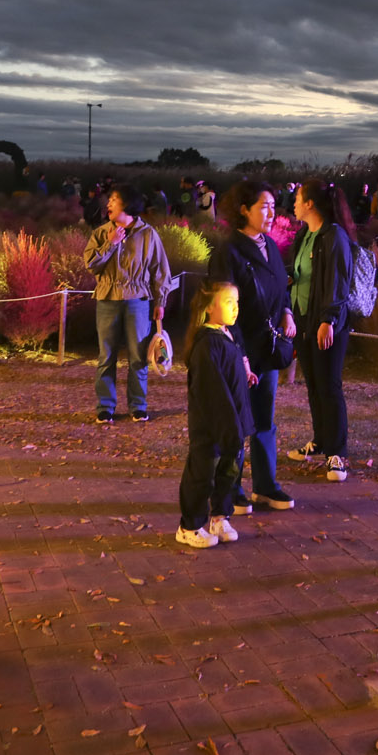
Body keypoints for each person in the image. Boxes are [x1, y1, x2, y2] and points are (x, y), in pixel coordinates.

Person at [207, 179, 297, 512]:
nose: (271, 213)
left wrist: (287, 311)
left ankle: (265, 485)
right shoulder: (228, 251)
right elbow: (223, 309)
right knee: (234, 423)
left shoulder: (270, 246)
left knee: (263, 419)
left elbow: (280, 286)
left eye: (274, 206)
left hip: (267, 348)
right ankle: (229, 488)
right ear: (244, 209)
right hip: (236, 350)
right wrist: (240, 355)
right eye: (264, 206)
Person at [285, 179, 358, 482]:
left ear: (310, 204)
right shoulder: (305, 235)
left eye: (298, 198)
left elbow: (338, 284)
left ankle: (337, 453)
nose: (294, 203)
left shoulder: (334, 236)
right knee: (314, 384)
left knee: (329, 385)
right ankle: (320, 441)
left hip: (327, 324)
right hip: (304, 321)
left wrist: (328, 319)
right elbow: (301, 274)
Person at [176, 280, 256, 549]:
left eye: (237, 302)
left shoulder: (227, 337)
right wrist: (227, 425)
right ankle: (189, 526)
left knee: (228, 474)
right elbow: (213, 391)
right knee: (203, 474)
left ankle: (220, 517)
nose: (235, 308)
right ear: (210, 308)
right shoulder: (206, 345)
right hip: (212, 428)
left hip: (232, 426)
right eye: (228, 302)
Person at [84, 187, 172, 423]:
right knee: (106, 356)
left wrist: (160, 301)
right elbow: (91, 265)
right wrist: (111, 244)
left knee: (138, 356)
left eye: (114, 200)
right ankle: (105, 406)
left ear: (128, 205)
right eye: (109, 200)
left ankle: (138, 405)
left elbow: (160, 270)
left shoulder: (148, 234)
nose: (108, 204)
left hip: (138, 301)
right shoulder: (102, 233)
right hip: (107, 299)